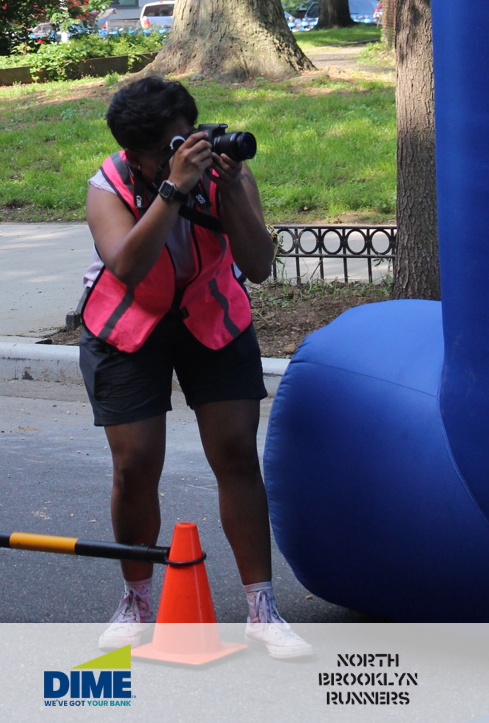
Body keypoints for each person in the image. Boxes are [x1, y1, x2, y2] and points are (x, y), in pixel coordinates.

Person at [79, 74, 311, 660]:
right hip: (128, 325)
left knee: (235, 453)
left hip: (211, 316)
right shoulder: (108, 186)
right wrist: (172, 189)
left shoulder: (223, 171)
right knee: (135, 464)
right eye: (167, 149)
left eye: (186, 139)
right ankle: (136, 600)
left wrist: (231, 192)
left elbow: (258, 264)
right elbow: (128, 267)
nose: (185, 153)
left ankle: (263, 610)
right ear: (135, 155)